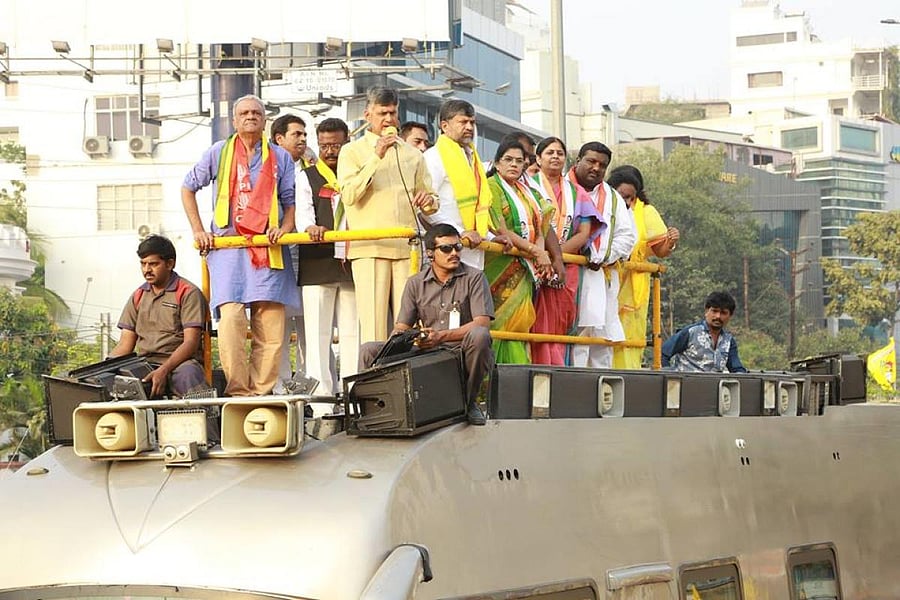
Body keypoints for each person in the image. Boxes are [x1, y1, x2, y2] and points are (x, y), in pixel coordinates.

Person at [182, 94, 300, 396]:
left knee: (271, 328)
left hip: (268, 249)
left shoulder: (280, 156)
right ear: (234, 121)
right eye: (244, 112)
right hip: (228, 249)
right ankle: (239, 393)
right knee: (231, 322)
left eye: (256, 113)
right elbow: (187, 188)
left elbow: (290, 204)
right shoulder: (219, 152)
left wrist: (284, 229)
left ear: (264, 120)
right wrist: (198, 230)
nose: (250, 117)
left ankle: (261, 393)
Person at [358, 224, 495, 425]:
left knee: (481, 336)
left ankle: (470, 402)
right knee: (368, 350)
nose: (454, 253)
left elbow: (481, 323)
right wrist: (406, 339)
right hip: (425, 350)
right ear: (430, 254)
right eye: (446, 249)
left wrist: (441, 336)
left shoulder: (474, 277)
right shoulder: (415, 282)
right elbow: (402, 326)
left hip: (459, 349)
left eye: (457, 247)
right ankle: (370, 412)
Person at [337, 87, 434, 344]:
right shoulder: (352, 151)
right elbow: (348, 195)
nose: (389, 119)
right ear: (368, 114)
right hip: (370, 247)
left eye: (392, 112)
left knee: (408, 321)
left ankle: (407, 376)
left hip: (407, 248)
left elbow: (432, 200)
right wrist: (376, 156)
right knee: (374, 325)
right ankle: (373, 378)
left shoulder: (412, 153)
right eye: (382, 113)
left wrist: (428, 201)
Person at [296, 117, 358, 395]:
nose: (330, 151)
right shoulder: (307, 176)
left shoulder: (356, 174)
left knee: (352, 334)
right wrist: (310, 226)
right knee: (317, 334)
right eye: (324, 146)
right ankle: (322, 399)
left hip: (352, 263)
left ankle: (354, 394)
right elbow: (303, 214)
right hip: (317, 262)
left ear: (347, 143)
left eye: (336, 145)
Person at [529, 136, 603, 365]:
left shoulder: (576, 192)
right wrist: (543, 255)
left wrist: (555, 255)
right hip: (531, 262)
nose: (555, 157)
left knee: (560, 324)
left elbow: (583, 233)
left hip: (564, 267)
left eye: (560, 153)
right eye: (549, 152)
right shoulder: (526, 186)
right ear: (538, 158)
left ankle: (557, 369)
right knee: (528, 322)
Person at [109, 235, 207, 398]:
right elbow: (125, 345)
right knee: (111, 383)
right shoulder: (138, 296)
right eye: (143, 264)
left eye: (153, 264)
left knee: (188, 375)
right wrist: (102, 368)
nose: (147, 270)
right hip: (145, 363)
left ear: (170, 264)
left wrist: (164, 370)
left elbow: (191, 342)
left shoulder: (188, 292)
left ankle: (205, 422)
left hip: (180, 363)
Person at [485, 139, 554, 364]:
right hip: (501, 265)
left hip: (526, 268)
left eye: (519, 161)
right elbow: (501, 228)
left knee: (519, 325)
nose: (514, 165)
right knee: (499, 325)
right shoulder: (491, 188)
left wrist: (541, 255)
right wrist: (537, 252)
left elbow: (541, 227)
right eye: (508, 160)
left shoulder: (527, 190)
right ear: (497, 163)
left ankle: (516, 377)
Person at [569, 142, 636, 369]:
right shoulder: (559, 187)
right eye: (591, 161)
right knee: (569, 338)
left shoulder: (613, 197)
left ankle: (601, 396)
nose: (596, 168)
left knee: (600, 341)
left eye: (602, 165)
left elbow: (627, 237)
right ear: (578, 161)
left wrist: (601, 256)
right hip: (562, 274)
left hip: (599, 277)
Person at [607, 165, 680, 370]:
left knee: (628, 337)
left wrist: (671, 241)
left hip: (633, 286)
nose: (627, 201)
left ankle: (626, 376)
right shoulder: (602, 204)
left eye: (631, 195)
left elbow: (660, 250)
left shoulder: (645, 211)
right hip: (604, 278)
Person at [423, 99, 492, 270]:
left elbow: (477, 209)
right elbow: (425, 207)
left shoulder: (473, 158)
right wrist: (459, 233)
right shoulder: (433, 157)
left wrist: (491, 237)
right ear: (444, 126)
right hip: (448, 252)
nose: (469, 127)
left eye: (472, 122)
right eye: (463, 122)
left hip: (474, 249)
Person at [271, 113, 310, 390]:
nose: (303, 139)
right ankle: (282, 387)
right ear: (279, 138)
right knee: (278, 329)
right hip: (277, 256)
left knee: (310, 325)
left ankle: (311, 386)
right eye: (297, 134)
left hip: (307, 257)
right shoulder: (268, 168)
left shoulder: (311, 168)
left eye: (304, 134)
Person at [662, 291, 747, 373]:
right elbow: (663, 354)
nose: (718, 316)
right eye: (714, 311)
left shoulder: (728, 341)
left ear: (730, 316)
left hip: (715, 386)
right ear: (706, 311)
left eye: (723, 313)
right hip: (686, 385)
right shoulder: (690, 333)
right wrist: (670, 379)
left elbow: (737, 368)